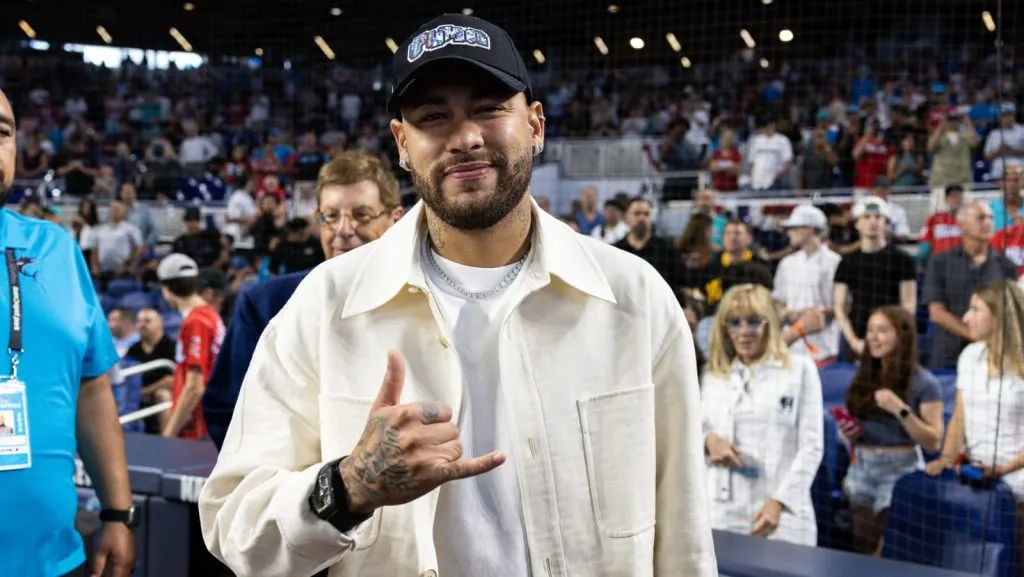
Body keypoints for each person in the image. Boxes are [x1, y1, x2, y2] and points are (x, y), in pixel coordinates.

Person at [199, 13, 715, 577]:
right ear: (402, 144)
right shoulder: (325, 306)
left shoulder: (634, 299)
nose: (465, 138)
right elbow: (235, 526)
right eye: (433, 116)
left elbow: (684, 538)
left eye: (489, 109)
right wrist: (347, 488)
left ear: (536, 125)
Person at [0, 89, 135, 576]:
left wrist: (117, 513)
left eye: (2, 132)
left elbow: (91, 386)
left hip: (53, 559)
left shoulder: (54, 248)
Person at [203, 150, 404, 450]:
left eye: (361, 215)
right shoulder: (264, 304)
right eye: (331, 216)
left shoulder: (424, 300)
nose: (343, 230)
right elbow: (227, 411)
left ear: (395, 220)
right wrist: (319, 474)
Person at [702, 284, 823, 545]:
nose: (744, 331)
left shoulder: (799, 370)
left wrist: (779, 502)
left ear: (770, 324)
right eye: (735, 323)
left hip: (781, 514)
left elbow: (812, 446)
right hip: (722, 511)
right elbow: (693, 429)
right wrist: (708, 440)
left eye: (754, 321)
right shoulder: (713, 376)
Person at [838, 306, 944, 556]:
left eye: (882, 330)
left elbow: (933, 442)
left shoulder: (925, 383)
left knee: (887, 550)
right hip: (862, 467)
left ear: (902, 336)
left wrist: (901, 410)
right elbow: (853, 426)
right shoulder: (863, 375)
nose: (873, 337)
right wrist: (848, 433)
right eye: (870, 330)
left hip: (900, 472)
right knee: (863, 547)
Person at [926, 282, 1024, 535]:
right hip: (977, 481)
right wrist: (946, 459)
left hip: (1018, 488)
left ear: (999, 317)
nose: (965, 318)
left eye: (975, 310)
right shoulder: (969, 356)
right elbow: (960, 417)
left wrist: (1001, 470)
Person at [923, 202, 1017, 369]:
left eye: (991, 218)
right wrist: (972, 334)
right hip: (948, 356)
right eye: (981, 218)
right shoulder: (939, 262)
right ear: (962, 224)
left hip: (993, 355)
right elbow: (936, 312)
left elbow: (1009, 311)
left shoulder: (1006, 265)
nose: (988, 223)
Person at [833, 196, 917, 357]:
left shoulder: (902, 259)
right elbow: (839, 307)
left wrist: (895, 337)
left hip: (892, 340)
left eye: (878, 217)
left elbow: (908, 305)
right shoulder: (847, 262)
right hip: (858, 338)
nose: (872, 222)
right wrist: (853, 341)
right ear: (857, 223)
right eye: (866, 217)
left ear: (886, 222)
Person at [157, 253, 225, 439]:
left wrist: (169, 434)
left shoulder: (196, 322)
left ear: (166, 289)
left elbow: (194, 387)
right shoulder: (210, 315)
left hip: (199, 426)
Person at [773, 204, 841, 367]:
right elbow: (778, 299)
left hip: (824, 343)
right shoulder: (787, 263)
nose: (789, 233)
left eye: (794, 228)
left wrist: (812, 314)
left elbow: (842, 305)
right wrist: (785, 313)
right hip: (791, 344)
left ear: (809, 229)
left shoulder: (834, 262)